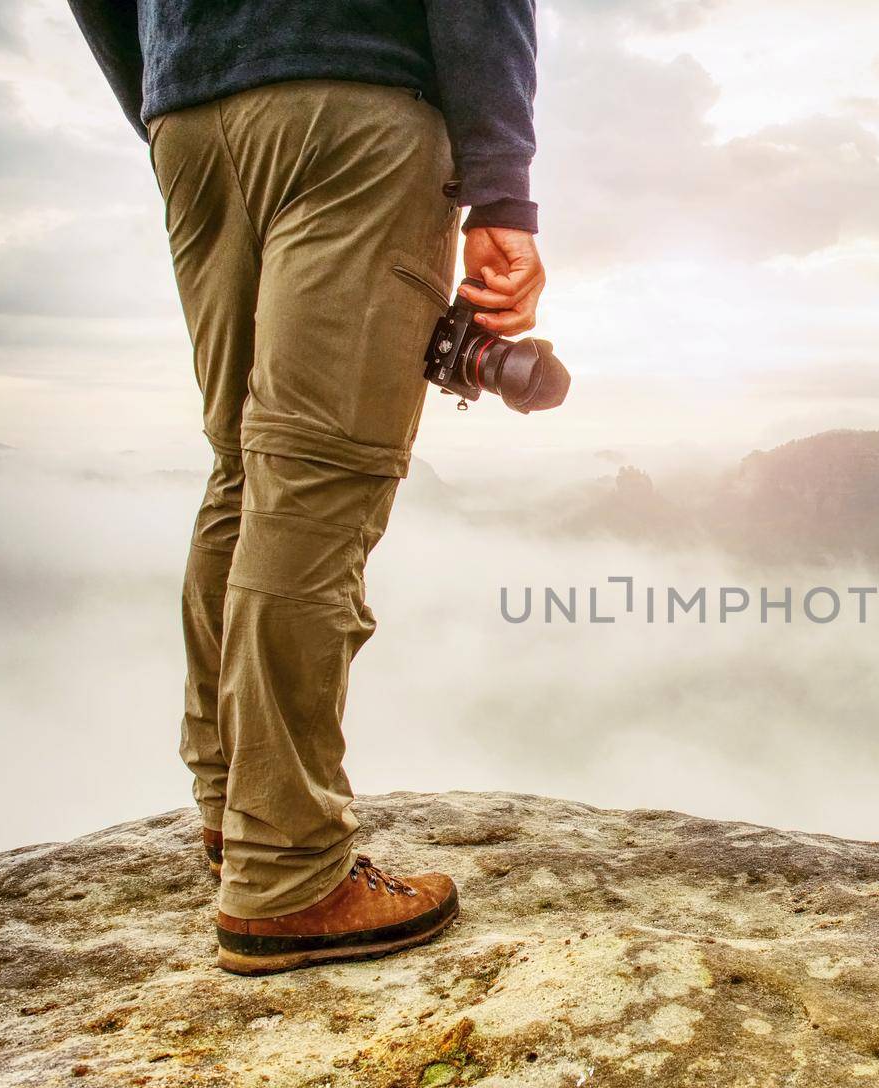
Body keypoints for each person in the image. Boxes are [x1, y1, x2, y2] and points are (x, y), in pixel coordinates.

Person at [66, 0, 546, 975]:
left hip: (195, 118)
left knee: (244, 467)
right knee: (315, 483)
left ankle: (231, 807)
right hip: (351, 99)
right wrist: (503, 191)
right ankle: (287, 873)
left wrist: (171, 99)